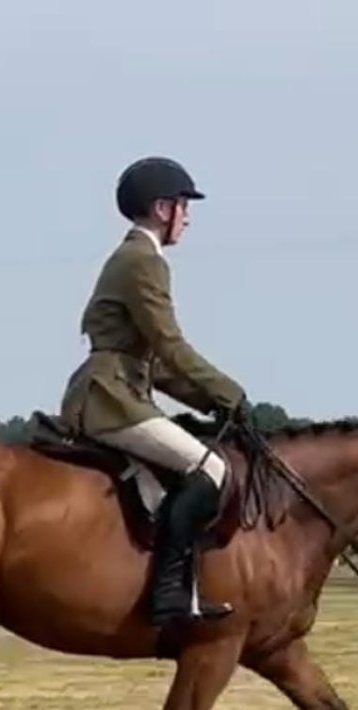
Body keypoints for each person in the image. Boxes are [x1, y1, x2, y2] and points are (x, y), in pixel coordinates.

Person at [59, 157, 250, 627]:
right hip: (111, 398)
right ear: (164, 207)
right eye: (184, 206)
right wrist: (230, 391)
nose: (188, 217)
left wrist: (208, 401)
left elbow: (155, 365)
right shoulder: (143, 260)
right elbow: (169, 344)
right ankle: (168, 595)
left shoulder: (134, 258)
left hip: (122, 388)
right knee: (212, 469)